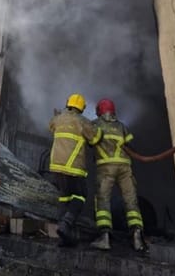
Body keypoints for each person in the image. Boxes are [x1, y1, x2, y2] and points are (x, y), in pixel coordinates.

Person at [88, 98, 148, 253]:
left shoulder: (95, 124)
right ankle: (137, 237)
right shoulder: (122, 126)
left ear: (99, 111)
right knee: (131, 200)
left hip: (106, 168)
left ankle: (104, 237)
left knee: (103, 201)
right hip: (125, 168)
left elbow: (89, 142)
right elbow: (130, 146)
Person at [49, 93, 101, 246]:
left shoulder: (58, 119)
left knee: (64, 198)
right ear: (82, 108)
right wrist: (97, 128)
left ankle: (63, 237)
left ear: (68, 104)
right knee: (80, 196)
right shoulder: (82, 122)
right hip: (74, 168)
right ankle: (65, 224)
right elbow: (96, 139)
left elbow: (51, 126)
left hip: (56, 167)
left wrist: (58, 115)